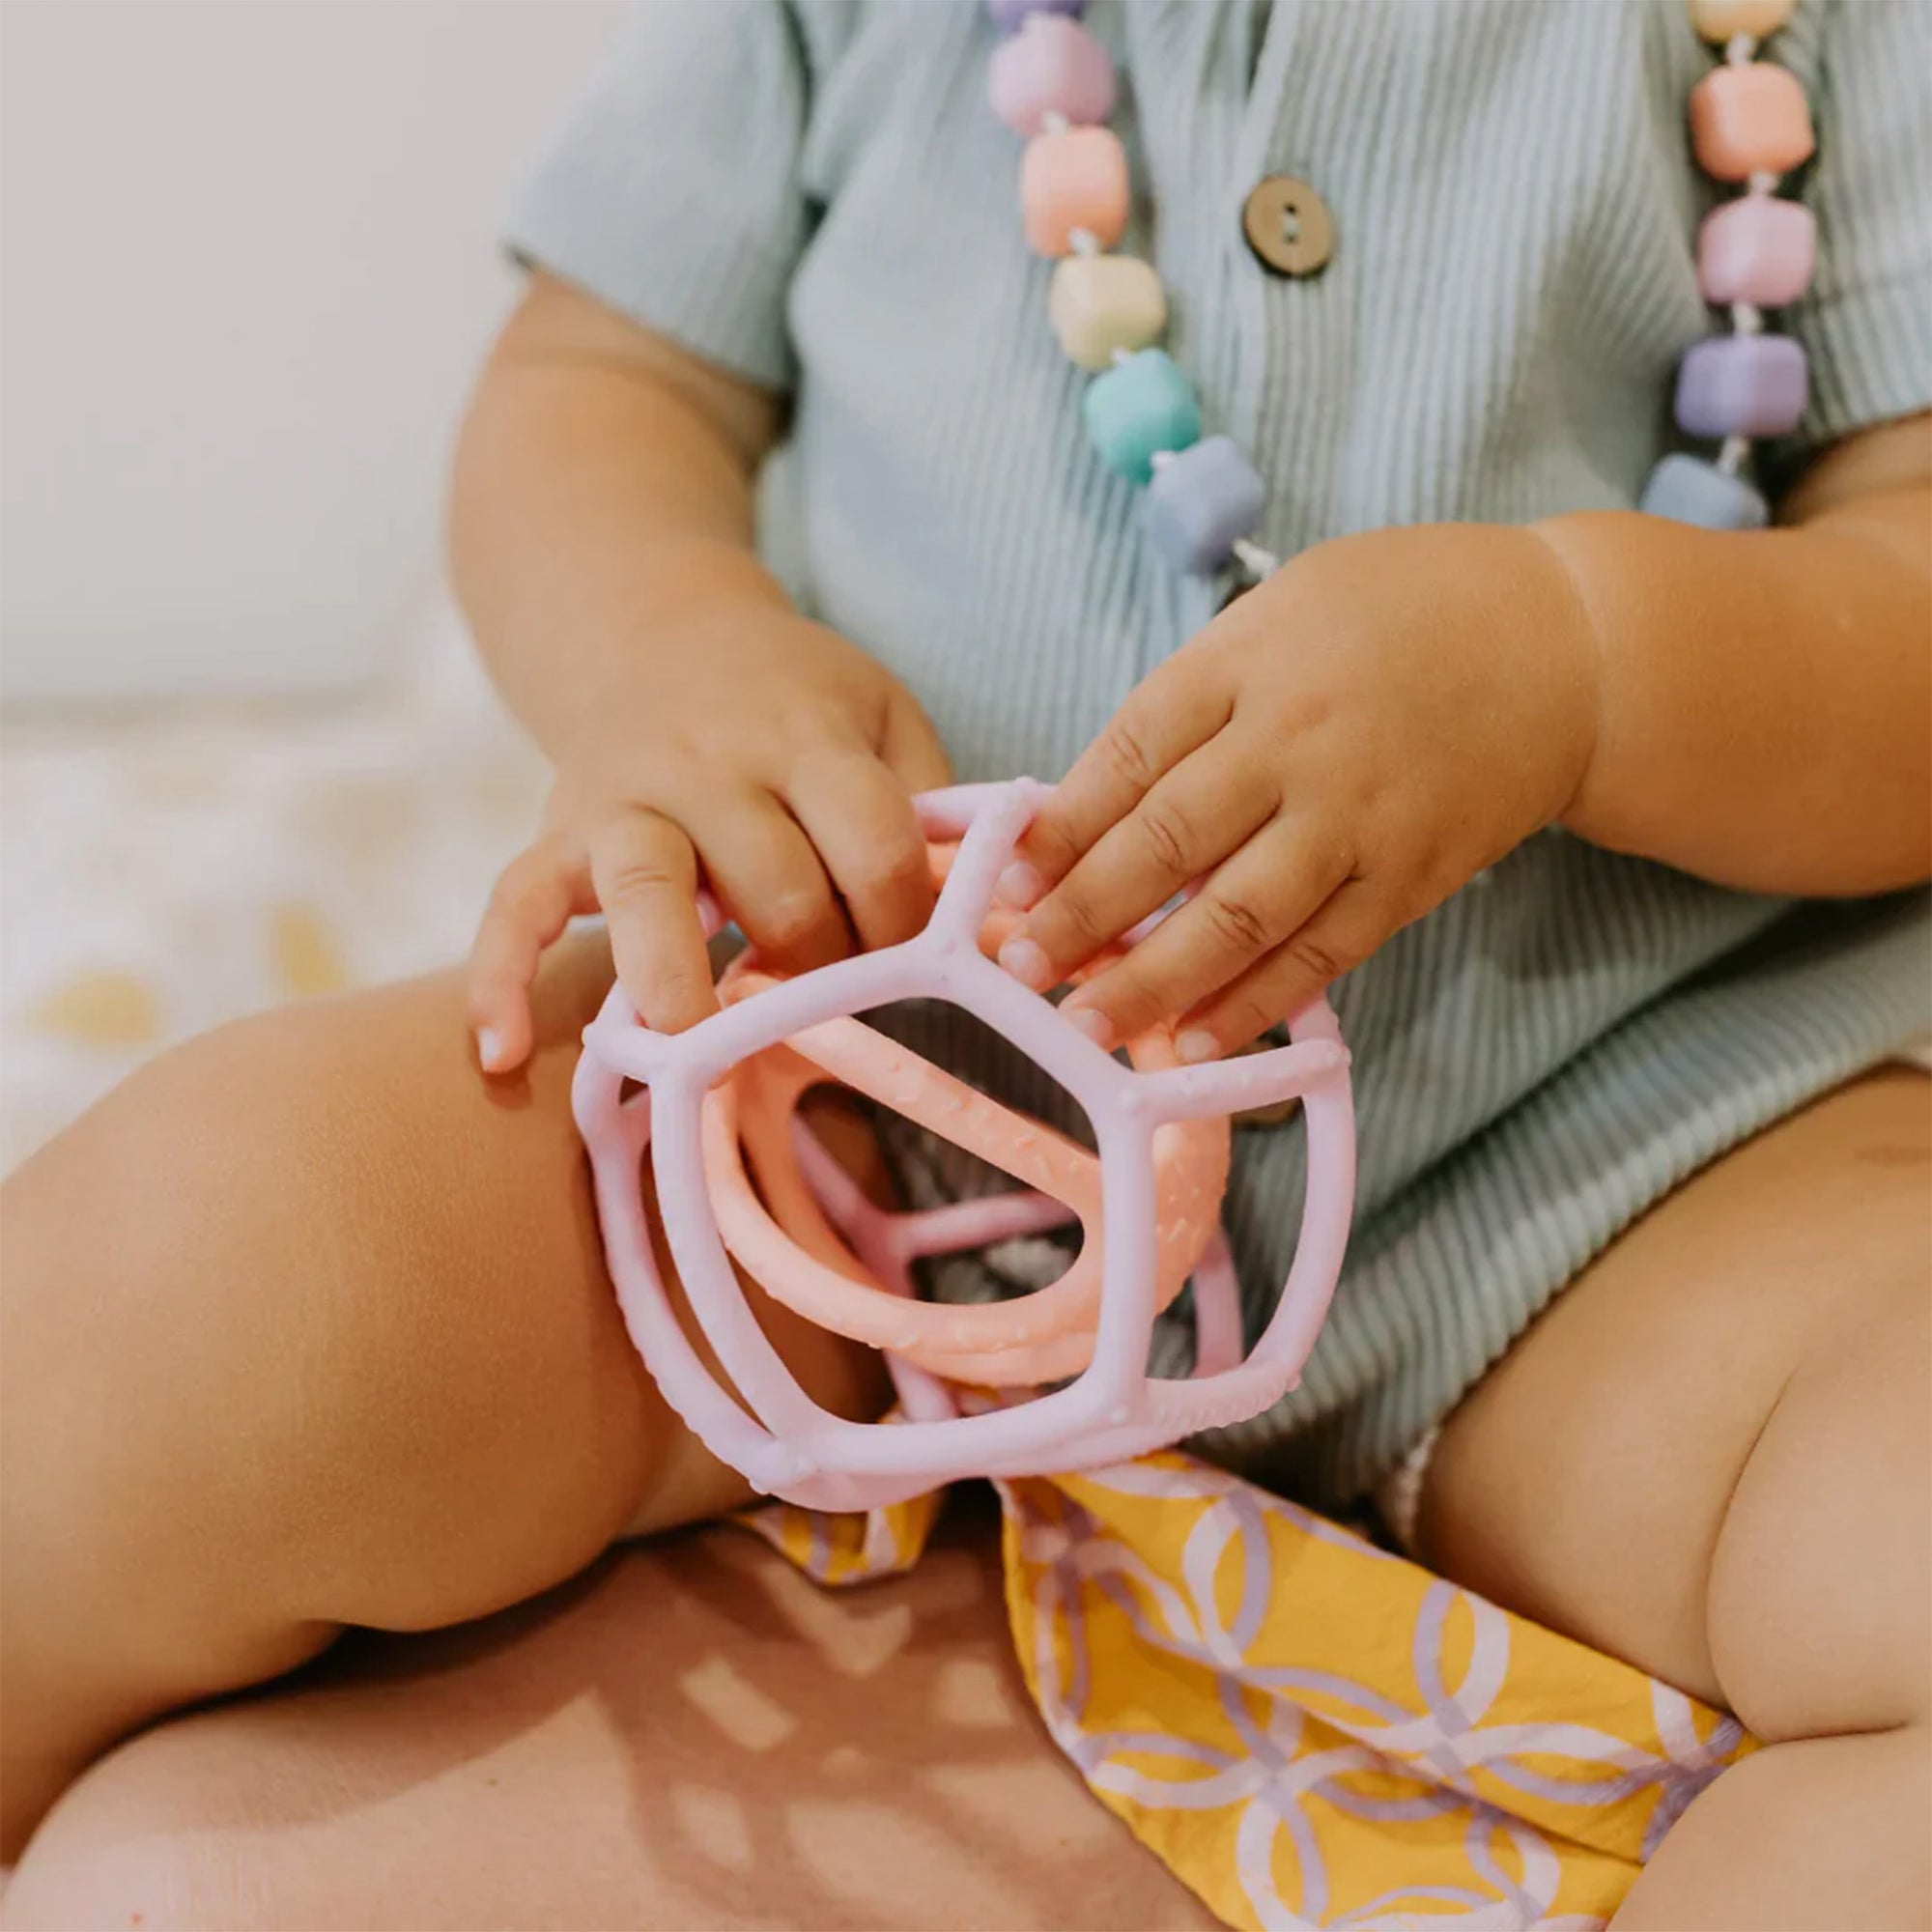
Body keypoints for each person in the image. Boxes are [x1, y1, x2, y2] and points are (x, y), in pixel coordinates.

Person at [3, 3, 1927, 1924]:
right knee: (222, 1259)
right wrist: (668, 650)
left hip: (1619, 1166)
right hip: (848, 1083)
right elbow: (600, 376)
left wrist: (1584, 660)